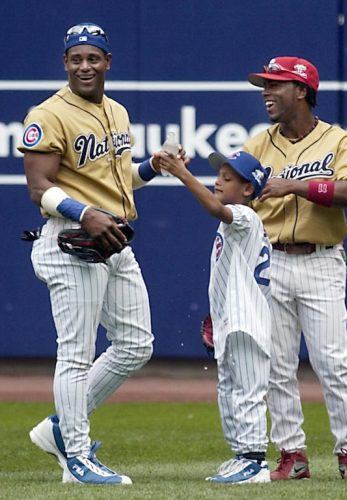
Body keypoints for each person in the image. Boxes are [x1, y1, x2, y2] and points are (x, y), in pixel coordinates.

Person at [19, 23, 169, 485]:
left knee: (136, 344)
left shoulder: (117, 112)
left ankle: (61, 429)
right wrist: (84, 213)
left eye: (93, 58)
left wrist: (153, 167)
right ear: (65, 63)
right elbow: (38, 187)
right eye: (76, 58)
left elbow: (117, 181)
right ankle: (78, 458)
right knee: (76, 353)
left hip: (113, 237)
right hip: (72, 238)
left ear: (107, 62)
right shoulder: (47, 114)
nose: (85, 66)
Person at [242, 56, 347, 481]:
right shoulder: (257, 145)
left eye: (275, 85)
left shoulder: (337, 141)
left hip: (321, 260)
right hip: (271, 260)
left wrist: (295, 185)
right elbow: (231, 199)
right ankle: (291, 453)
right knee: (276, 365)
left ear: (301, 91)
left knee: (333, 363)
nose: (266, 92)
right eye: (264, 84)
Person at [157, 150, 272, 484]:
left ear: (248, 189)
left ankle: (255, 461)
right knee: (229, 389)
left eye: (228, 177)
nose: (218, 181)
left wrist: (181, 173)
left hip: (247, 321)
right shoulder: (236, 222)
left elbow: (213, 208)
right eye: (219, 175)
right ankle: (242, 456)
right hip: (232, 319)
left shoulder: (245, 216)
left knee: (247, 390)